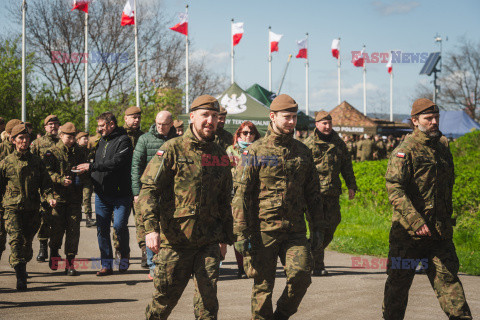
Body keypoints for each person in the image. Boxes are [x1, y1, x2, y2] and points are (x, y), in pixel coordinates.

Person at [140, 95, 234, 319]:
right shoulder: (173, 149)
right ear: (192, 117)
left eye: (214, 116)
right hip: (175, 242)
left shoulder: (220, 155)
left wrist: (224, 238)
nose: (210, 121)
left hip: (208, 243)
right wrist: (150, 229)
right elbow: (148, 189)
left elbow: (224, 199)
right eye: (205, 115)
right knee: (163, 302)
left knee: (208, 305)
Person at [232, 94, 325, 320]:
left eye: (294, 117)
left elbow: (313, 194)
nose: (292, 122)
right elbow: (241, 194)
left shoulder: (303, 151)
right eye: (287, 117)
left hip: (294, 230)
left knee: (302, 276)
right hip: (263, 230)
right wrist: (240, 234)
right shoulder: (255, 151)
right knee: (263, 287)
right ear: (272, 117)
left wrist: (319, 228)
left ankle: (281, 315)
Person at [382, 98, 472, 320]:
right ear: (415, 121)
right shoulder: (405, 151)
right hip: (408, 236)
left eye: (436, 117)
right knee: (397, 291)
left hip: (439, 236)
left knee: (452, 290)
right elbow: (394, 188)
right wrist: (416, 220)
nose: (434, 122)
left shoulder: (442, 147)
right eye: (428, 118)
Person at [76, 112, 133, 276]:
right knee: (102, 229)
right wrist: (86, 173)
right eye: (99, 126)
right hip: (102, 194)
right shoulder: (101, 141)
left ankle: (124, 255)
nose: (99, 129)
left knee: (119, 226)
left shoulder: (124, 141)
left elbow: (116, 163)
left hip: (121, 194)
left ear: (111, 125)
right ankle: (106, 264)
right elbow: (97, 163)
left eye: (102, 126)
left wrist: (91, 166)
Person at [0, 124, 56, 290]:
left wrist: (50, 197)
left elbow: (46, 184)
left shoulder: (37, 162)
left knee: (27, 244)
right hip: (12, 208)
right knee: (16, 240)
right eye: (20, 139)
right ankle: (20, 275)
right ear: (13, 140)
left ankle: (22, 265)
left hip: (32, 209)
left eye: (26, 138)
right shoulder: (6, 163)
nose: (24, 141)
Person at [304, 111, 357, 276]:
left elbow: (346, 166)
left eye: (329, 123)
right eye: (324, 123)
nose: (327, 127)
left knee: (332, 225)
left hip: (332, 193)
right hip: (314, 195)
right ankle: (317, 266)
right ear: (316, 124)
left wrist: (351, 186)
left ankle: (307, 249)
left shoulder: (338, 143)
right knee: (318, 229)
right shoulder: (308, 144)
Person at [131, 110, 177, 278]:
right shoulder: (144, 140)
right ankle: (152, 266)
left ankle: (168, 263)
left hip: (171, 193)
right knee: (150, 227)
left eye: (164, 124)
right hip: (148, 191)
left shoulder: (177, 141)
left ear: (171, 124)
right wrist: (137, 192)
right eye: (158, 123)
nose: (160, 127)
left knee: (169, 228)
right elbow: (136, 167)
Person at [44, 123, 87, 276]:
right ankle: (54, 252)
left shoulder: (80, 152)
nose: (71, 140)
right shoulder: (52, 153)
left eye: (73, 137)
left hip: (74, 198)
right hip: (58, 198)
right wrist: (60, 180)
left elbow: (85, 169)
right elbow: (47, 172)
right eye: (69, 137)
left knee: (73, 232)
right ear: (61, 136)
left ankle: (70, 263)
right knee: (57, 230)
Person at [226, 121, 261, 279]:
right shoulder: (231, 151)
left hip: (257, 197)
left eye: (251, 133)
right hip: (236, 197)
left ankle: (253, 264)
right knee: (239, 233)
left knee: (256, 231)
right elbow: (226, 175)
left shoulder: (260, 149)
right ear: (239, 134)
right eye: (245, 133)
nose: (248, 136)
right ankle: (241, 267)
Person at [111, 106, 144, 259]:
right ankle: (120, 249)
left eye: (138, 117)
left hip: (140, 184)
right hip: (120, 185)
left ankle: (145, 251)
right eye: (133, 117)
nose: (136, 120)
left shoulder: (144, 137)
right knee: (119, 222)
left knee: (142, 219)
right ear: (125, 118)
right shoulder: (116, 135)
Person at [31, 115, 61, 263]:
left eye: (56, 124)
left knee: (57, 220)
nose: (53, 127)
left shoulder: (63, 142)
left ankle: (54, 249)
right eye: (50, 124)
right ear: (45, 127)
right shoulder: (37, 144)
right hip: (43, 188)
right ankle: (43, 247)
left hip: (61, 188)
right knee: (44, 218)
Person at [76, 131, 96, 228]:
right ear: (78, 140)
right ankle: (77, 216)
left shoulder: (90, 151)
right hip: (77, 178)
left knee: (87, 198)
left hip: (87, 179)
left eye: (87, 138)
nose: (86, 140)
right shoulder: (74, 151)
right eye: (84, 138)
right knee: (77, 198)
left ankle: (88, 218)